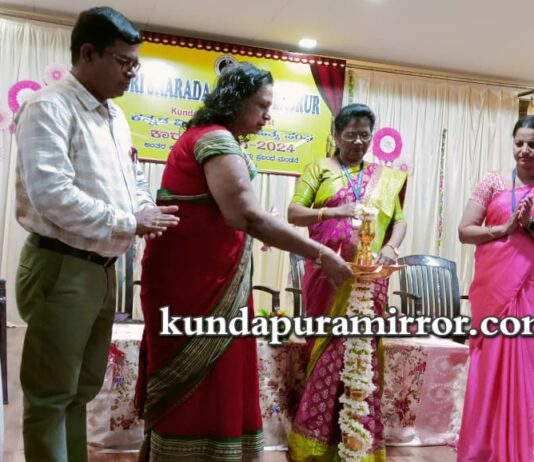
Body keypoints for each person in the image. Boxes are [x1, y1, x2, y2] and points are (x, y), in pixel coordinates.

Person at [135, 62, 352, 461]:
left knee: (219, 379)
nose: (268, 116)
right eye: (262, 105)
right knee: (203, 383)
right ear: (235, 101)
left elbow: (230, 213)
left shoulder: (212, 137)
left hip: (212, 280)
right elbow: (247, 217)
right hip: (197, 285)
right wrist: (321, 255)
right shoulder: (215, 139)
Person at [14, 7, 179, 462]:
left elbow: (133, 179)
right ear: (88, 53)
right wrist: (129, 222)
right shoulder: (49, 107)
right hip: (62, 264)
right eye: (124, 62)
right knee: (51, 394)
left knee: (80, 389)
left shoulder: (114, 116)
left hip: (101, 268)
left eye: (135, 65)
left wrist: (145, 209)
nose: (131, 74)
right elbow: (52, 196)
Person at [286, 103, 408, 461]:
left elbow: (399, 220)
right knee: (326, 349)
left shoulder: (384, 176)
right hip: (327, 276)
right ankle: (315, 443)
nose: (357, 142)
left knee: (363, 356)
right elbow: (294, 213)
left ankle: (360, 440)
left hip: (370, 280)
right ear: (336, 136)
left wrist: (391, 248)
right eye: (350, 135)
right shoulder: (319, 169)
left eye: (364, 135)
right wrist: (333, 210)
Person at [457, 115, 534, 461]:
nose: (525, 150)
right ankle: (484, 450)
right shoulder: (493, 181)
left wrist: (529, 226)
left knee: (527, 367)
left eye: (532, 144)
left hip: (530, 290)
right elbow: (465, 230)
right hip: (494, 293)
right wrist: (502, 230)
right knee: (489, 367)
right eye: (519, 143)